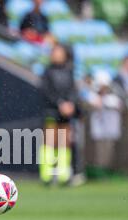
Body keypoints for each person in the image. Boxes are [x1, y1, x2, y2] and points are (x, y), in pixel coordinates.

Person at [39, 43, 81, 186]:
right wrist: (59, 103)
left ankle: (63, 175)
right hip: (51, 110)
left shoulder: (69, 71)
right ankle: (47, 175)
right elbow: (46, 91)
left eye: (59, 52)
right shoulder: (47, 71)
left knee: (64, 142)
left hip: (66, 112)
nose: (57, 54)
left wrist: (70, 104)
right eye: (55, 52)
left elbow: (73, 90)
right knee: (50, 142)